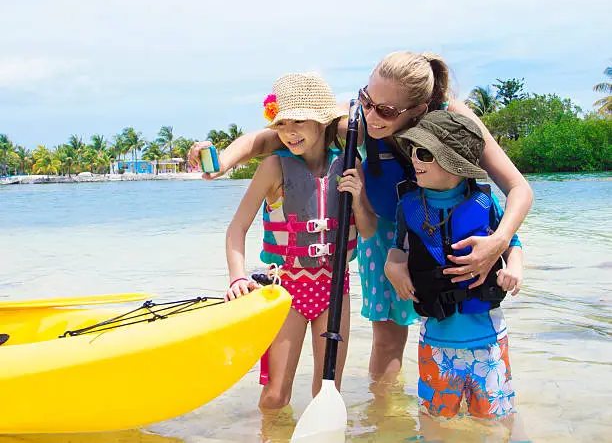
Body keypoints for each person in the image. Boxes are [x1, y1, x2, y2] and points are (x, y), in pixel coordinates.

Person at [189, 51, 533, 380]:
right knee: (387, 339)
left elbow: (519, 188)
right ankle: (382, 419)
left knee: (459, 325)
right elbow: (269, 139)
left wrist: (499, 242)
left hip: (446, 231)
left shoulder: (451, 122)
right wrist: (221, 161)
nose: (370, 116)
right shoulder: (358, 120)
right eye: (365, 100)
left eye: (384, 110)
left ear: (419, 109)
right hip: (382, 233)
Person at [224, 72, 377, 410]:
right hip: (286, 290)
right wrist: (237, 276)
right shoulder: (273, 167)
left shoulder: (350, 163)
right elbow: (237, 228)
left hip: (335, 288)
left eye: (299, 122)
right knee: (276, 395)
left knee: (328, 393)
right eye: (281, 124)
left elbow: (367, 231)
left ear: (322, 122)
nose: (289, 132)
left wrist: (359, 197)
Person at [386, 109, 523, 425]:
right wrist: (392, 268)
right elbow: (398, 250)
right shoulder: (408, 206)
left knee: (496, 422)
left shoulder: (484, 202)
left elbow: (512, 242)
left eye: (423, 153)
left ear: (454, 163)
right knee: (435, 422)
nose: (414, 159)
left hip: (487, 343)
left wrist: (514, 268)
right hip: (436, 344)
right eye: (412, 151)